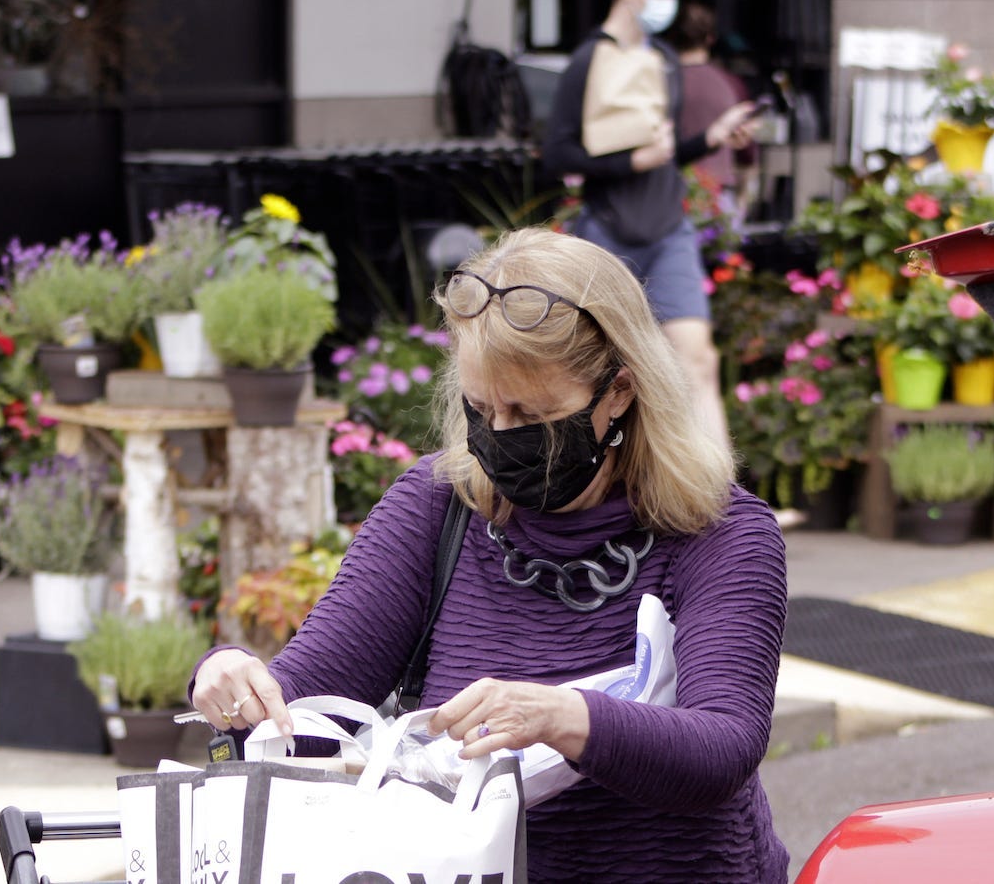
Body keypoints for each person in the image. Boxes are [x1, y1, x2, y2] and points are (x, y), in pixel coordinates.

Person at [190, 227, 791, 882]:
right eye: (480, 408)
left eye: (529, 413)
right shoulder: (435, 506)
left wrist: (563, 715)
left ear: (618, 392)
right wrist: (233, 686)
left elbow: (722, 747)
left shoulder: (720, 532)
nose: (498, 435)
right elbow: (306, 716)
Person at [540, 0, 756, 443]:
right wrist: (629, 162)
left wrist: (711, 138)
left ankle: (722, 506)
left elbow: (664, 152)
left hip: (669, 229)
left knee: (697, 360)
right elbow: (557, 154)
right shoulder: (588, 60)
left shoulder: (663, 59)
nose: (670, 5)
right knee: (593, 374)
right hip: (608, 231)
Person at [670, 1, 759, 208]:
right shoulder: (730, 83)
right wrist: (743, 200)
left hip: (668, 194)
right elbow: (747, 153)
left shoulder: (661, 81)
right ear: (711, 38)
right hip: (718, 193)